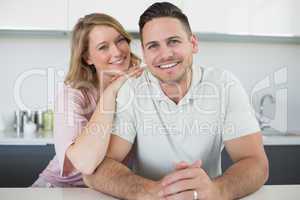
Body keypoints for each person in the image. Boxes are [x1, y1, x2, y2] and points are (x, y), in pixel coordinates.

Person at [84, 2, 269, 200]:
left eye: (173, 41)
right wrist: (152, 191)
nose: (165, 54)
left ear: (193, 44)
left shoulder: (224, 85)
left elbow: (255, 162)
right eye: (153, 46)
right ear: (145, 53)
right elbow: (97, 170)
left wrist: (218, 190)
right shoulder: (131, 90)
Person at [31, 13, 143, 187]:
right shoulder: (73, 95)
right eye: (103, 47)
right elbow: (86, 163)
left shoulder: (140, 86)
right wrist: (110, 92)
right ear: (87, 57)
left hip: (107, 187)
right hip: (60, 189)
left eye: (120, 40)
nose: (117, 51)